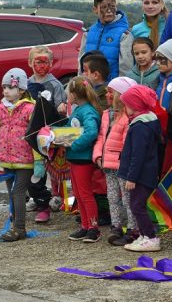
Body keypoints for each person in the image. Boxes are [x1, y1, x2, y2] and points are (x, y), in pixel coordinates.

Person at [92, 77, 139, 247]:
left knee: (127, 198)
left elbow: (128, 142)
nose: (108, 94)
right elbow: (100, 137)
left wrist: (124, 162)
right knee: (112, 197)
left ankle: (133, 229)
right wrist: (97, 155)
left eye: (112, 92)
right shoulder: (106, 115)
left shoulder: (128, 116)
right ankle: (116, 226)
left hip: (121, 164)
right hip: (107, 164)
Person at [0, 69, 37, 241]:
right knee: (11, 193)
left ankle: (20, 228)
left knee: (18, 192)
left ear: (21, 90)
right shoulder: (1, 109)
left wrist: (39, 161)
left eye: (9, 88)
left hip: (25, 160)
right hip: (7, 161)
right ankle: (14, 223)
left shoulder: (29, 109)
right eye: (3, 88)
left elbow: (35, 135)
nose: (5, 91)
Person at [26, 45, 68, 223]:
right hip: (30, 130)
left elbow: (61, 109)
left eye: (46, 62)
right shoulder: (27, 83)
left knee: (48, 165)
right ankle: (37, 197)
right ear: (30, 63)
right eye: (38, 61)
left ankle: (51, 200)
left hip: (48, 133)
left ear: (51, 63)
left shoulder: (55, 84)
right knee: (33, 167)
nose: (42, 65)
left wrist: (60, 108)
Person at [119, 85, 163, 252]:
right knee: (135, 204)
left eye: (127, 104)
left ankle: (151, 238)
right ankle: (144, 235)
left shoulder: (140, 127)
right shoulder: (145, 122)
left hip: (142, 175)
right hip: (144, 174)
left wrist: (132, 177)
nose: (125, 108)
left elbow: (138, 155)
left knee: (137, 205)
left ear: (136, 105)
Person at [62, 76, 102, 243]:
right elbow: (71, 128)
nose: (67, 98)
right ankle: (85, 226)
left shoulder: (88, 111)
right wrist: (55, 133)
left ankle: (93, 228)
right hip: (75, 158)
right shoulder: (79, 110)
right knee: (78, 194)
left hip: (83, 158)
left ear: (73, 94)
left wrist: (75, 145)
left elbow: (91, 132)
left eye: (68, 94)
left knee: (85, 194)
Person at [82, 0, 133, 80]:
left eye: (112, 6)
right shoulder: (88, 33)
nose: (109, 11)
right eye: (104, 7)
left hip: (111, 89)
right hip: (89, 87)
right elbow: (81, 62)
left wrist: (119, 89)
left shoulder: (124, 35)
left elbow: (126, 67)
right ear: (95, 9)